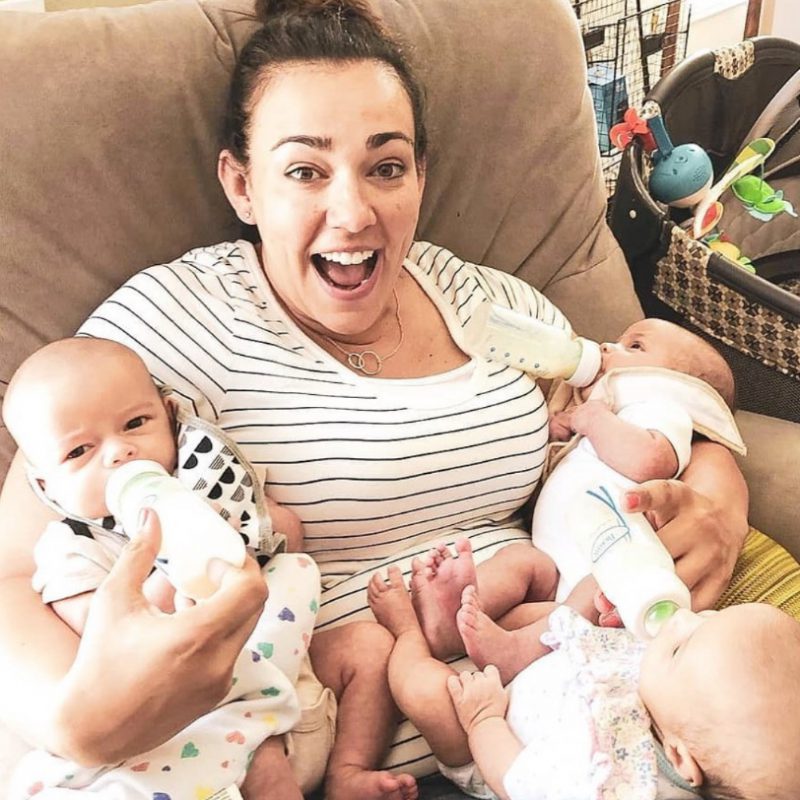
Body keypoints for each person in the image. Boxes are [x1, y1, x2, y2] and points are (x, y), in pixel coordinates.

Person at [0, 0, 749, 794]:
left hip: (591, 711)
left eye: (385, 166)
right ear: (241, 183)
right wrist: (76, 718)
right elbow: (18, 566)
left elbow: (650, 395)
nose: (353, 213)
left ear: (420, 175)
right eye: (305, 170)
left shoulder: (483, 302)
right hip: (324, 765)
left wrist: (720, 498)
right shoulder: (165, 327)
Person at [3, 337, 320, 799]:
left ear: (171, 420)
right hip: (161, 714)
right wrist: (171, 566)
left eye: (135, 423)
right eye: (79, 452)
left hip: (252, 685)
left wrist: (242, 528)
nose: (118, 453)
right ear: (46, 485)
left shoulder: (207, 486)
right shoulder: (71, 548)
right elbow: (105, 642)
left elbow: (285, 535)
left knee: (296, 572)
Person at [407, 317, 747, 673]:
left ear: (678, 383)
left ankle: (517, 649)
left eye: (634, 346)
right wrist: (561, 432)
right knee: (519, 560)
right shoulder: (615, 417)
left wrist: (591, 419)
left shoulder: (661, 410)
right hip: (555, 567)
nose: (605, 347)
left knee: (590, 591)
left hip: (611, 557)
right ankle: (451, 616)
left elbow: (651, 460)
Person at [369, 569, 800, 800]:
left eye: (679, 647)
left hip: (495, 741)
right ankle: (465, 634)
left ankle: (407, 629)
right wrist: (611, 627)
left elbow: (516, 779)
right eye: (712, 619)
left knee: (425, 689)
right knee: (565, 584)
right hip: (560, 669)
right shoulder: (683, 703)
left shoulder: (607, 784)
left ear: (678, 757)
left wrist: (482, 719)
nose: (685, 617)